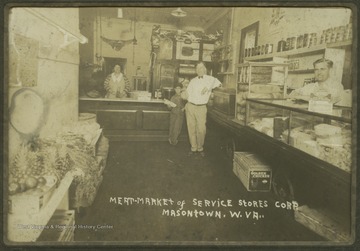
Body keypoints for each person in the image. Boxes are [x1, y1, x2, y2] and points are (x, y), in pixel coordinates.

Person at [182, 61, 222, 156]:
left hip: (201, 108)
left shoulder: (211, 79)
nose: (199, 70)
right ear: (196, 70)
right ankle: (193, 148)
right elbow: (187, 94)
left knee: (201, 129)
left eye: (201, 68)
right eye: (197, 68)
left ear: (205, 69)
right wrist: (183, 94)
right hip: (190, 106)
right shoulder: (193, 81)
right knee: (191, 128)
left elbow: (220, 85)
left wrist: (208, 87)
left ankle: (200, 148)